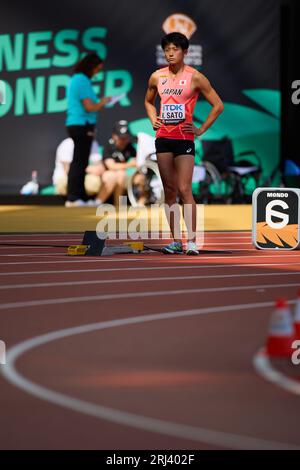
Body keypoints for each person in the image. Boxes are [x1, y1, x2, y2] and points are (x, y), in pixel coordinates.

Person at [145, 32, 224, 255]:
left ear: (185, 52)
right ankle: (175, 241)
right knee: (169, 191)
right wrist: (153, 119)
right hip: (163, 138)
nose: (170, 53)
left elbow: (218, 105)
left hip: (184, 139)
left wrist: (200, 129)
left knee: (184, 189)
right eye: (167, 50)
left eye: (175, 49)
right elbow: (148, 101)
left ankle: (191, 241)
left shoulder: (195, 77)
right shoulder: (157, 76)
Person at [65, 52, 111, 207]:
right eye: (97, 68)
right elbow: (89, 106)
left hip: (80, 124)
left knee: (81, 161)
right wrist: (103, 102)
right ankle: (73, 197)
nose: (98, 71)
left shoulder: (78, 79)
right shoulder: (82, 80)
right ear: (91, 66)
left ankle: (80, 197)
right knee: (79, 162)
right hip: (81, 124)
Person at [99, 120, 145, 206]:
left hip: (125, 176)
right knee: (118, 174)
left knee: (140, 177)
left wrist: (135, 165)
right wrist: (129, 165)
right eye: (121, 137)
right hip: (109, 176)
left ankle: (140, 204)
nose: (123, 140)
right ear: (114, 136)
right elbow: (111, 166)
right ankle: (118, 205)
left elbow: (138, 163)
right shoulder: (109, 146)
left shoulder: (130, 147)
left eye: (126, 137)